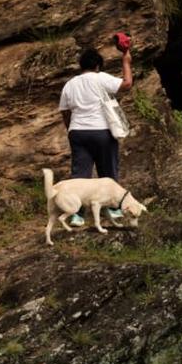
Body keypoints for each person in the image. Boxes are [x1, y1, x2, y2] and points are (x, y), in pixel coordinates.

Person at [58, 38, 133, 226]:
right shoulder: (101, 78)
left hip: (78, 132)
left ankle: (77, 215)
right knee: (108, 172)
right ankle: (113, 211)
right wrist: (126, 61)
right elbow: (127, 84)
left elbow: (65, 112)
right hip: (102, 132)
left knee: (80, 176)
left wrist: (71, 130)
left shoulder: (70, 84)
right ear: (98, 66)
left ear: (81, 66)